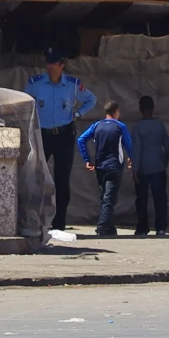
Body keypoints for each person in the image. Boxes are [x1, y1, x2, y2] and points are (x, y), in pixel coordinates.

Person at [24, 50, 96, 232]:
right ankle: (36, 221)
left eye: (53, 63)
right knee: (37, 176)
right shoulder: (36, 84)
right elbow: (25, 101)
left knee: (62, 180)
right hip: (43, 134)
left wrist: (78, 114)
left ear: (61, 65)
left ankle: (59, 224)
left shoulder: (72, 86)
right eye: (47, 63)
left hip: (64, 135)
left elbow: (91, 100)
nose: (49, 66)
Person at [76, 102, 130, 237]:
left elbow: (81, 140)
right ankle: (102, 228)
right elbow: (129, 144)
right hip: (114, 166)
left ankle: (110, 228)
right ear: (116, 111)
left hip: (100, 167)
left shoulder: (97, 125)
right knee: (109, 199)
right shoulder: (120, 126)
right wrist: (132, 158)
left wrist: (87, 159)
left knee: (105, 197)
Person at [128, 95, 169, 237]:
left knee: (142, 199)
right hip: (158, 167)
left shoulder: (137, 127)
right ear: (153, 109)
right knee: (160, 199)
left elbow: (136, 149)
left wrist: (135, 170)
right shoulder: (159, 125)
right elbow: (167, 147)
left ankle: (143, 227)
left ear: (140, 109)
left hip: (142, 167)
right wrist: (164, 162)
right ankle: (161, 227)